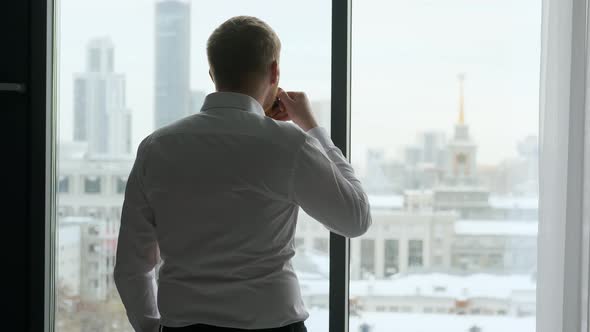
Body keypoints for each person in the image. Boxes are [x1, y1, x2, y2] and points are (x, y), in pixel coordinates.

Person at [114, 16, 372, 332]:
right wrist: (313, 129)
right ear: (275, 71)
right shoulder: (288, 145)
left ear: (212, 74)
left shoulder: (155, 148)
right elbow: (355, 218)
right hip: (274, 325)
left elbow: (131, 266)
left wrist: (150, 327)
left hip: (184, 325)